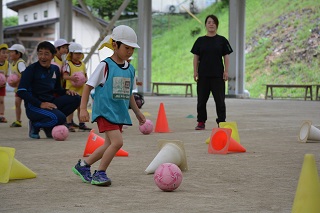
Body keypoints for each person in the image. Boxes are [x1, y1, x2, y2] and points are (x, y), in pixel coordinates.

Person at [72, 25, 146, 186]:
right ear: (115, 45)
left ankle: (83, 166)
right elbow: (88, 86)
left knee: (108, 143)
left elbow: (128, 95)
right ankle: (100, 173)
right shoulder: (104, 66)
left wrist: (138, 113)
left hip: (118, 113)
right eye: (127, 48)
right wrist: (83, 108)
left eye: (132, 49)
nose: (130, 51)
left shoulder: (130, 69)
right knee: (118, 143)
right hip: (105, 111)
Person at [17, 41, 81, 139]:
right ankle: (35, 124)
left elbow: (57, 89)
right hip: (34, 106)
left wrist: (66, 91)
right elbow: (21, 91)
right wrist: (40, 104)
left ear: (52, 56)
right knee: (60, 118)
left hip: (50, 102)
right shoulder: (30, 70)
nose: (43, 57)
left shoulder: (55, 69)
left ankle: (48, 126)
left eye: (46, 54)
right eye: (40, 53)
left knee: (76, 98)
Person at [191, 14, 233, 130]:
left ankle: (221, 122)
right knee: (201, 101)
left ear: (217, 25)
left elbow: (226, 56)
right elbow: (195, 57)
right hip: (203, 76)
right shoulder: (200, 41)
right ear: (205, 25)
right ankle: (201, 122)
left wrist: (226, 71)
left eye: (213, 22)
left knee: (220, 101)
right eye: (209, 22)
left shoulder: (222, 40)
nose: (211, 24)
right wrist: (195, 72)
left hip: (217, 76)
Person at [62, 42, 91, 132]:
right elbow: (64, 76)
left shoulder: (82, 64)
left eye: (80, 53)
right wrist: (72, 78)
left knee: (80, 107)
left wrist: (85, 80)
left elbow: (85, 76)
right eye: (76, 53)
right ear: (71, 54)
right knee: (71, 108)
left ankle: (82, 124)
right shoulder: (68, 64)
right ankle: (69, 123)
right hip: (72, 90)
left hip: (81, 90)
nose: (78, 55)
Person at [8, 44, 27, 127]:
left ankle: (34, 119)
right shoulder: (12, 64)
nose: (10, 53)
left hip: (25, 87)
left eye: (12, 52)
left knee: (28, 105)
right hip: (18, 88)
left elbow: (25, 74)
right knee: (17, 103)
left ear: (18, 54)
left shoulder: (20, 63)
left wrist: (16, 81)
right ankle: (18, 121)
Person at [0, 44, 9, 123]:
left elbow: (7, 75)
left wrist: (5, 80)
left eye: (6, 53)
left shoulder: (7, 64)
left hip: (2, 85)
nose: (5, 54)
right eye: (3, 52)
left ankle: (2, 116)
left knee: (1, 100)